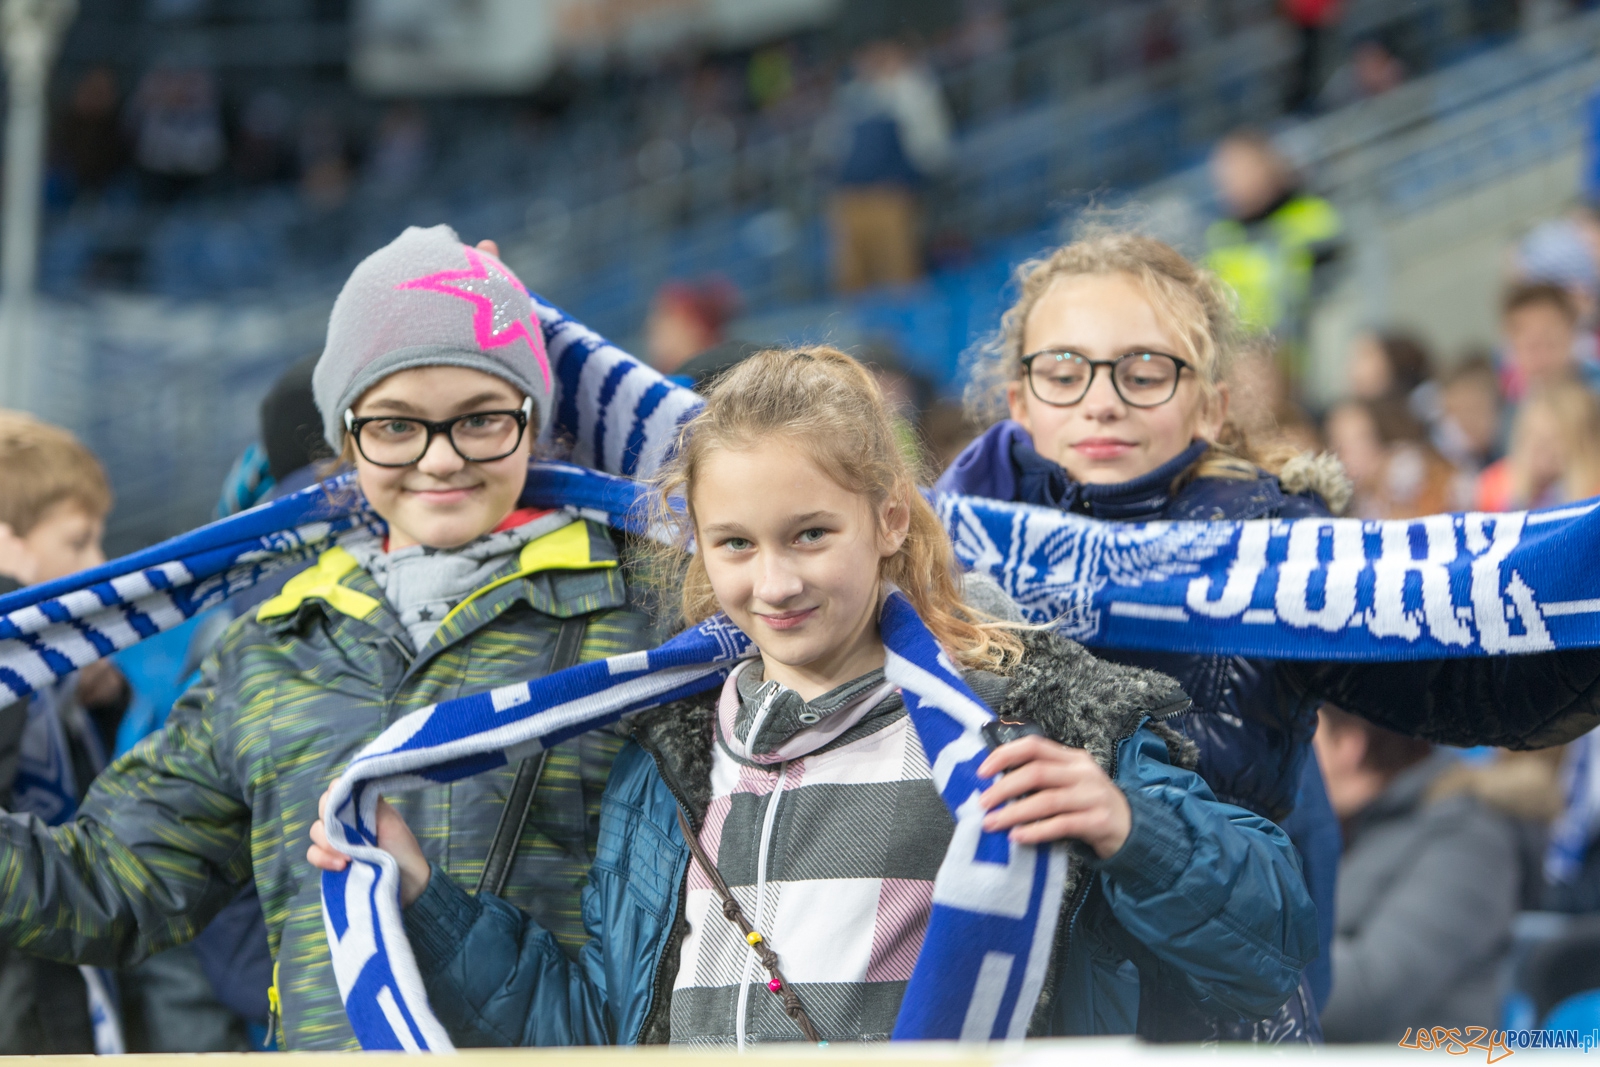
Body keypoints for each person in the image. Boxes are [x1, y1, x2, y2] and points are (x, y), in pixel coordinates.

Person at [308, 346, 1318, 1046]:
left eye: (810, 535)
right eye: (735, 544)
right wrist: (424, 901)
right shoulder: (668, 758)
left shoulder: (1028, 715)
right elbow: (603, 1035)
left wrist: (1131, 826)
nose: (775, 581)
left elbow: (1270, 943)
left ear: (887, 520)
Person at [0, 225, 664, 1050]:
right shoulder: (273, 647)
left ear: (533, 420)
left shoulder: (642, 622)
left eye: (481, 418)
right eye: (396, 426)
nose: (441, 459)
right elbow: (110, 882)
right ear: (347, 438)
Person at [936, 230, 1600, 1040]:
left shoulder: (1280, 563)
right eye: (1066, 372)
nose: (1101, 401)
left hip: (1207, 1032)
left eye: (1144, 372)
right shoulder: (928, 574)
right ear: (1020, 400)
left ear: (1211, 406)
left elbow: (1477, 685)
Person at [0, 412, 127, 1053]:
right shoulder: (15, 663)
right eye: (77, 543)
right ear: (9, 545)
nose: (97, 564)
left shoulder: (56, 677)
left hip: (64, 990)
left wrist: (96, 703)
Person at [1314, 706, 1522, 1042]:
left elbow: (1367, 993)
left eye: (1307, 741)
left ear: (1349, 747)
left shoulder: (1466, 841)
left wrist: (1236, 949)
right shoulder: (1347, 828)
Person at [1205, 129, 1342, 386]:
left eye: (1240, 170)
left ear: (1267, 166)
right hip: (1248, 357)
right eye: (1224, 175)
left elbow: (1328, 286)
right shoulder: (1221, 235)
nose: (1230, 183)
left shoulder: (1311, 213)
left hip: (1307, 348)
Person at [820, 40, 952, 294]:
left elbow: (932, 148)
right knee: (852, 282)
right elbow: (831, 147)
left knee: (900, 277)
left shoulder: (913, 88)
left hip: (892, 194)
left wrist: (906, 181)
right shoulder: (852, 95)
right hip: (851, 197)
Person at [1475, 380, 1600, 512]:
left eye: (1553, 438)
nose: (1538, 447)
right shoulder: (1494, 484)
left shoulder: (1594, 498)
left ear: (1582, 444)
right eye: (1531, 435)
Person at [1500, 282, 1597, 401]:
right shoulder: (1508, 397)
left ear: (1571, 334)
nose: (1542, 357)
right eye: (1532, 347)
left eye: (1551, 344)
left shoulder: (1594, 387)